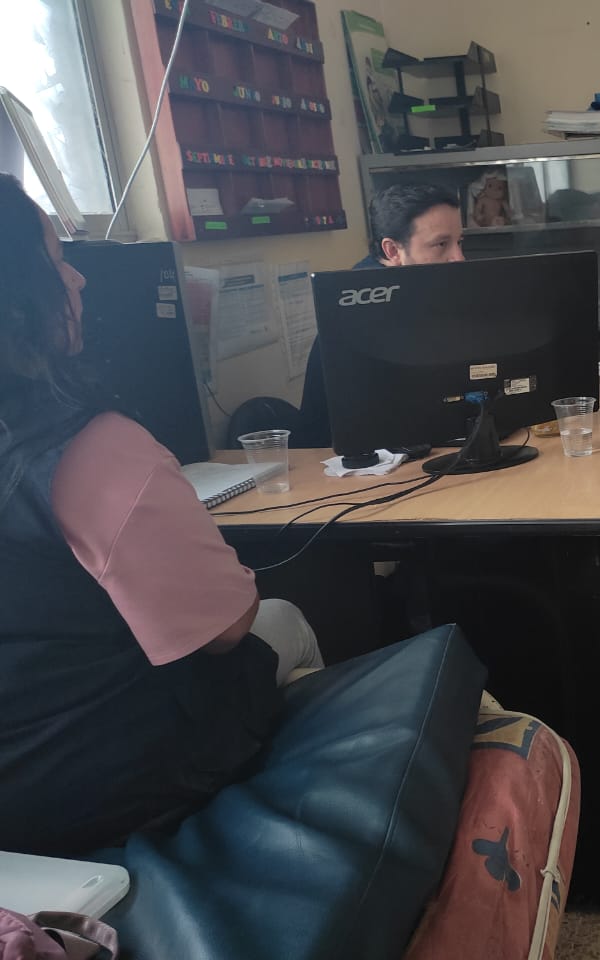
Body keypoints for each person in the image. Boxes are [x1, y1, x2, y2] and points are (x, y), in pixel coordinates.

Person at [0, 174, 324, 855]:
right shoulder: (94, 448)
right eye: (57, 261)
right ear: (19, 299)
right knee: (282, 618)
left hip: (15, 791)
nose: (78, 279)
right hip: (104, 782)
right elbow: (225, 630)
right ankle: (308, 816)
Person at [296, 183, 464, 448]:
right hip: (350, 461)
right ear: (393, 251)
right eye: (441, 244)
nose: (459, 257)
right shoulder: (363, 308)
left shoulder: (420, 289)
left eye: (459, 242)